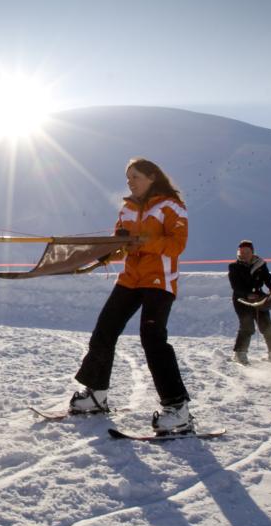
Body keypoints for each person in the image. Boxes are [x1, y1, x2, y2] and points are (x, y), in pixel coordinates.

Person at [68, 157, 194, 433]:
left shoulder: (171, 206)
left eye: (135, 177)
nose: (130, 182)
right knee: (104, 330)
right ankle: (96, 394)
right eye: (128, 178)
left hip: (159, 281)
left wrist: (146, 242)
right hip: (130, 279)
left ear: (151, 177)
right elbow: (119, 242)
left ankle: (178, 408)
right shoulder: (126, 208)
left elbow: (177, 245)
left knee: (152, 339)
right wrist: (107, 250)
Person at [229, 240, 271, 365]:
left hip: (260, 299)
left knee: (268, 326)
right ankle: (239, 353)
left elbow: (268, 279)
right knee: (247, 326)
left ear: (252, 252)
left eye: (247, 251)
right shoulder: (234, 267)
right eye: (242, 251)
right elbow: (235, 286)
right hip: (241, 300)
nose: (244, 254)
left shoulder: (260, 265)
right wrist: (247, 294)